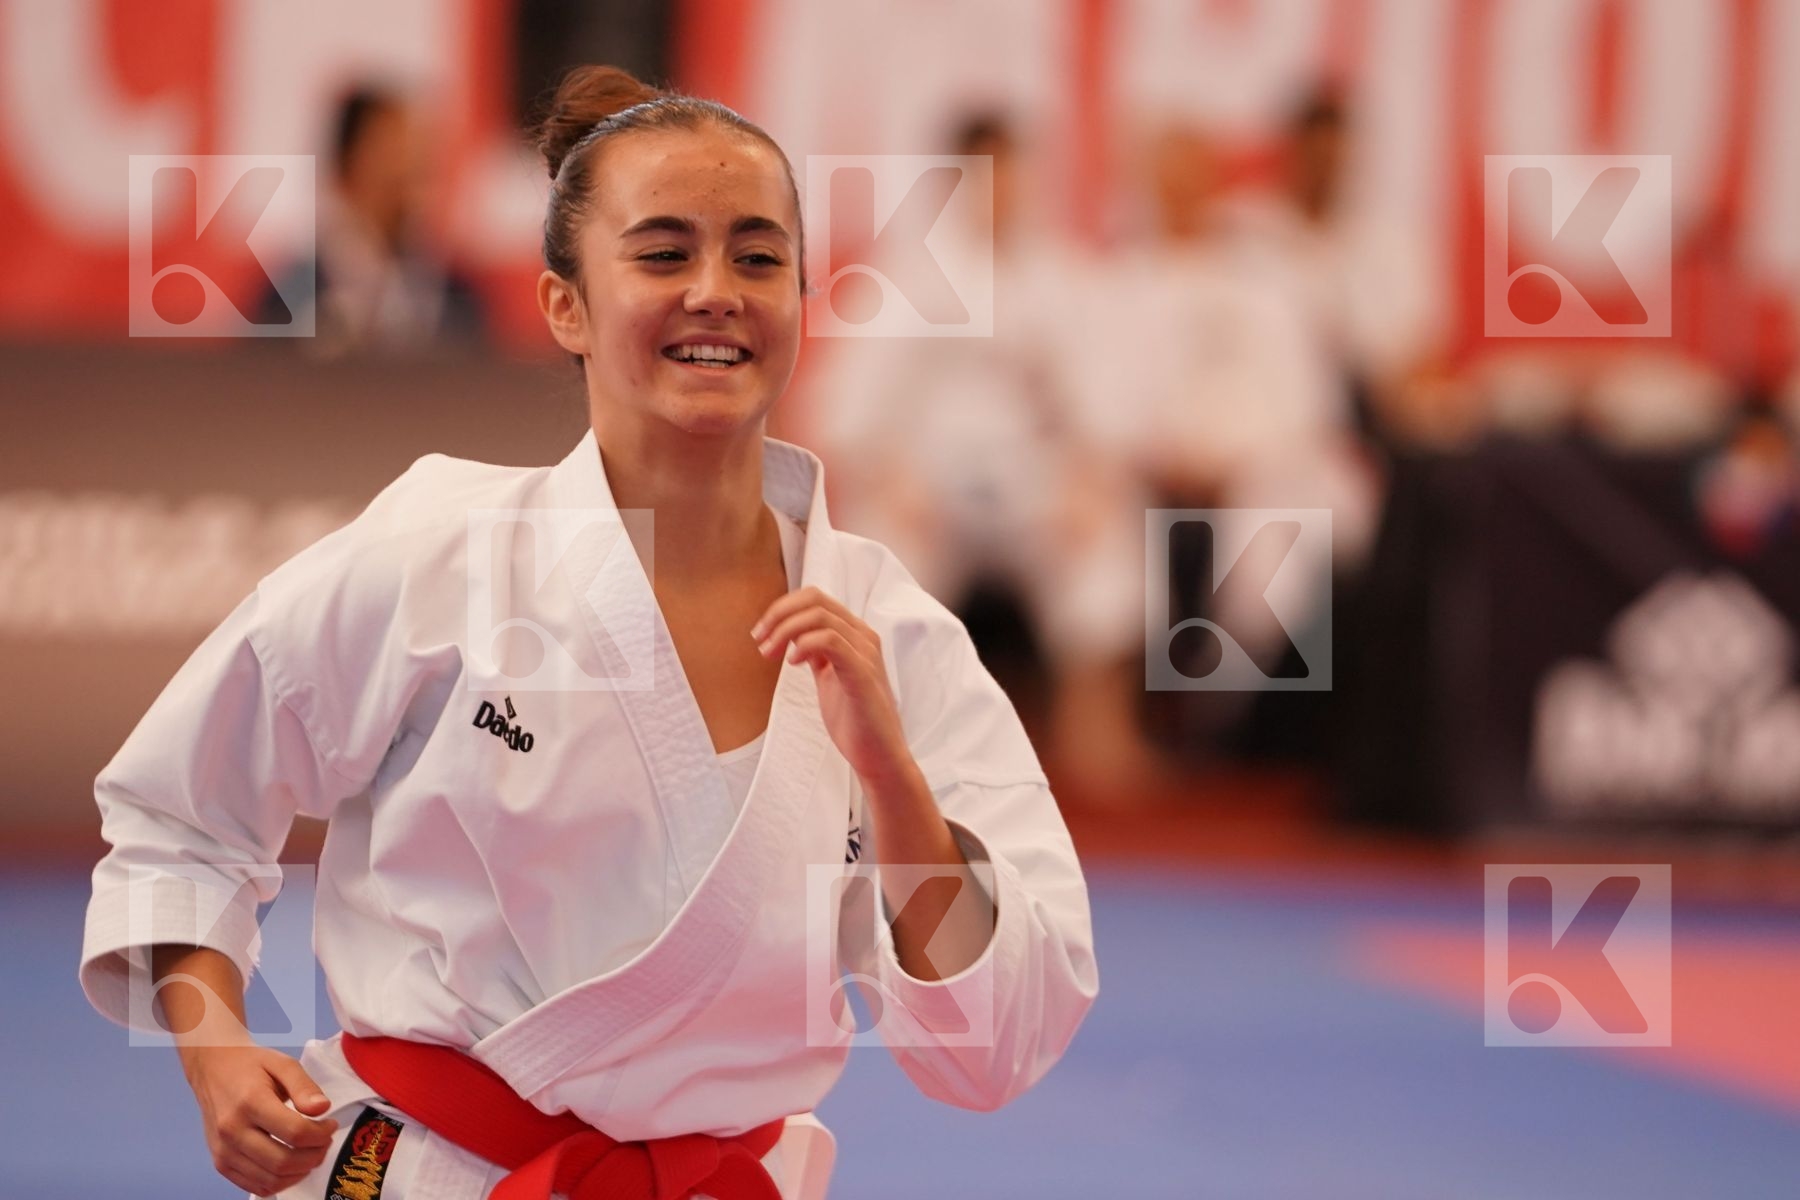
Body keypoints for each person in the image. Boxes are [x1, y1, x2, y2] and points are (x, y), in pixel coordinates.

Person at [80, 66, 1097, 1200]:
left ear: (801, 304)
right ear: (566, 303)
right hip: (427, 1174)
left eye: (759, 258)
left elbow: (998, 1043)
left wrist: (892, 778)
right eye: (664, 254)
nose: (717, 290)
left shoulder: (894, 637)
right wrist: (213, 1045)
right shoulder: (442, 545)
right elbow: (182, 814)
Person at [814, 112, 1165, 801]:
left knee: (1111, 538)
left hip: (1035, 481)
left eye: (1012, 172)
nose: (1001, 189)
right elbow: (850, 410)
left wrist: (1090, 480)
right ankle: (890, 735)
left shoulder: (1066, 276)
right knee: (882, 541)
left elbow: (1105, 404)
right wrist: (892, 476)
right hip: (929, 479)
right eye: (985, 175)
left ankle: (1096, 725)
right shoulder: (907, 272)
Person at [257, 84, 489, 354]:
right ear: (346, 166)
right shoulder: (290, 298)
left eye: (419, 162)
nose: (406, 179)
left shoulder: (454, 298)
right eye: (390, 154)